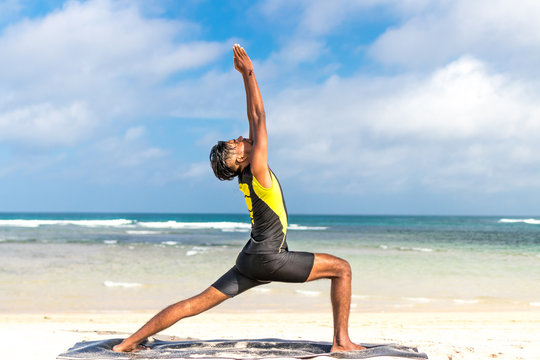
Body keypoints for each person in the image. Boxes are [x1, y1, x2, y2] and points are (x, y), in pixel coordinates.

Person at [113, 44, 365, 353]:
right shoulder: (256, 169)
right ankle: (341, 342)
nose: (238, 138)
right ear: (237, 162)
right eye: (234, 144)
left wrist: (245, 77)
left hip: (250, 259)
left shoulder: (248, 173)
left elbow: (252, 118)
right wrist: (248, 72)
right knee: (342, 269)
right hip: (269, 258)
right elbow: (259, 115)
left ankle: (127, 343)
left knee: (195, 303)